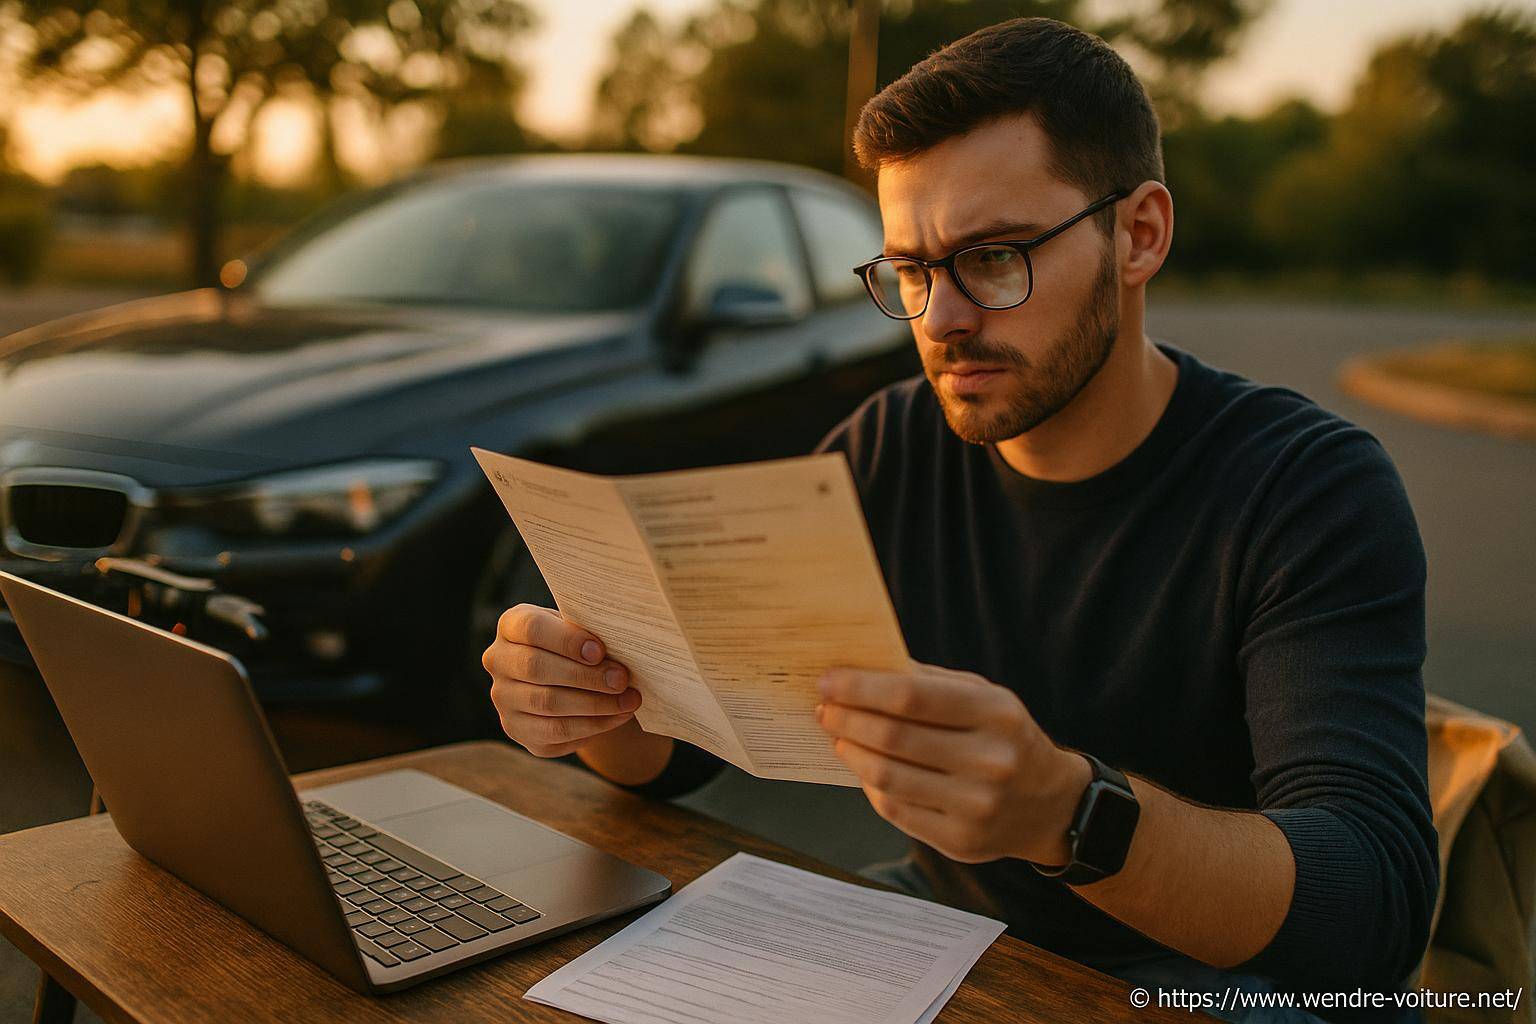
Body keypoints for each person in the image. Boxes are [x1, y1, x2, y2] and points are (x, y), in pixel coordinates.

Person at [480, 17, 1437, 1024]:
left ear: (1140, 234)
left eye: (993, 256)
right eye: (911, 269)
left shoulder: (1306, 485)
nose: (940, 318)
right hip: (950, 934)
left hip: (1231, 983)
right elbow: (688, 751)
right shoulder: (886, 446)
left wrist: (1070, 816)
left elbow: (1371, 908)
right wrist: (601, 707)